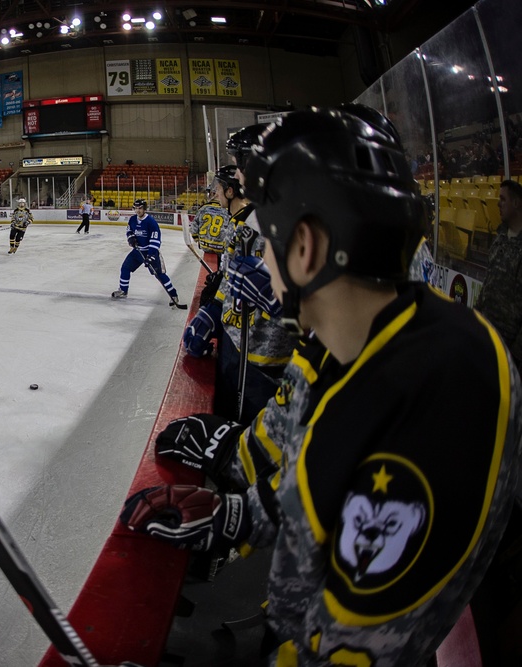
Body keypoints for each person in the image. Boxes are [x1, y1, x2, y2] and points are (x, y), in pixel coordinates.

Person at [123, 108, 522, 667]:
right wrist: (235, 515)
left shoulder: (442, 391)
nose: (260, 253)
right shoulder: (341, 341)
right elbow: (313, 486)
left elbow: (351, 650)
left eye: (268, 232)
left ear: (306, 247)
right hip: (291, 620)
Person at [184, 129, 294, 424]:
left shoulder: (290, 226)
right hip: (236, 345)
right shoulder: (246, 224)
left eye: (240, 166)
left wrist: (288, 304)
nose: (240, 178)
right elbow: (233, 281)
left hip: (265, 360)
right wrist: (214, 309)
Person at [475, 179, 522, 370]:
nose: (498, 204)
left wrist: (516, 356)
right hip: (486, 332)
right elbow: (488, 282)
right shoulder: (500, 236)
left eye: (503, 199)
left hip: (508, 346)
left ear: (517, 203)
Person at [111, 198, 182, 307]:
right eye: (136, 208)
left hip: (150, 252)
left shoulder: (151, 222)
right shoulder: (132, 219)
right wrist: (131, 238)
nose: (138, 210)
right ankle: (123, 290)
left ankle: (174, 295)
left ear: (144, 209)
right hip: (137, 252)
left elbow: (155, 240)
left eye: (140, 208)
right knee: (125, 268)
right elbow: (129, 230)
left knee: (160, 275)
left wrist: (151, 256)